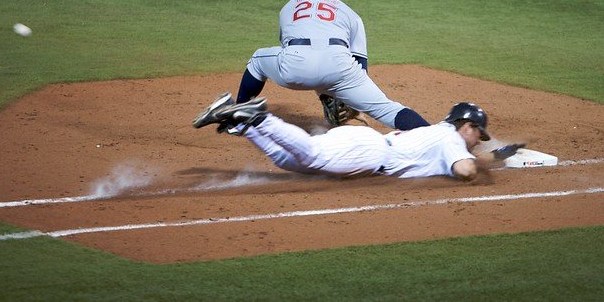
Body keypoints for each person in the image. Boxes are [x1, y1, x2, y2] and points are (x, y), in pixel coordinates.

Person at [194, 0, 431, 131]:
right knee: (389, 109)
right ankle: (438, 138)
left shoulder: (289, 6)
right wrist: (349, 99)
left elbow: (290, 48)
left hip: (296, 67)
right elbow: (360, 65)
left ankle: (239, 114)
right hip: (341, 68)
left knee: (258, 59)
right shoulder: (349, 12)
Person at [194, 98, 523, 182]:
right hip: (369, 150)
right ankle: (259, 117)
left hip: (366, 142)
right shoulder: (451, 138)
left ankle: (240, 122)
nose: (479, 140)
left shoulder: (437, 132)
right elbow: (465, 171)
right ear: (466, 126)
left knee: (288, 161)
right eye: (479, 134)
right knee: (308, 155)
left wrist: (496, 156)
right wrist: (486, 167)